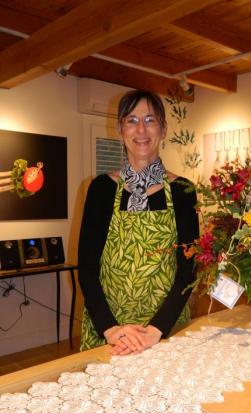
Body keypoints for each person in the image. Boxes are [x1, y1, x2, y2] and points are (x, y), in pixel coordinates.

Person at [78, 89, 199, 356]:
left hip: (164, 331)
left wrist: (156, 329)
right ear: (121, 129)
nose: (141, 129)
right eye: (132, 120)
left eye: (150, 119)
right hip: (109, 333)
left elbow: (188, 270)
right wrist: (112, 329)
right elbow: (87, 268)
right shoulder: (101, 189)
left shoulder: (183, 191)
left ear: (164, 129)